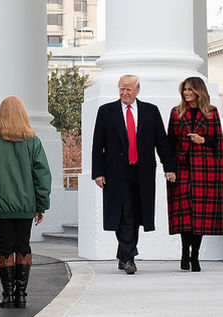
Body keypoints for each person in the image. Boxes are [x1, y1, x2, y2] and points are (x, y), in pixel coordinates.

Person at [91, 74, 176, 274]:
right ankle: (129, 257)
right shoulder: (106, 111)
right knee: (123, 214)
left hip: (143, 171)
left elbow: (161, 143)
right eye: (121, 88)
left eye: (129, 89)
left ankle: (123, 255)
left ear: (137, 90)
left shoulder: (151, 111)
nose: (124, 92)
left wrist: (169, 167)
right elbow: (97, 145)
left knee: (137, 215)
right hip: (116, 172)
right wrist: (98, 172)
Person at [0, 96, 51, 309]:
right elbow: (42, 175)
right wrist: (41, 205)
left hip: (1, 206)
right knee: (23, 246)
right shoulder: (33, 141)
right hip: (26, 206)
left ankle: (8, 295)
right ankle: (22, 295)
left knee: (5, 248)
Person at [167, 77, 223, 272]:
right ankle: (185, 252)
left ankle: (195, 256)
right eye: (184, 90)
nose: (186, 93)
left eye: (190, 90)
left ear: (198, 91)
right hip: (182, 168)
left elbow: (218, 142)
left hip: (205, 170)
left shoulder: (211, 112)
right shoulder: (176, 113)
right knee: (186, 215)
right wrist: (169, 169)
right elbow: (169, 142)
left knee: (200, 217)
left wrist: (202, 140)